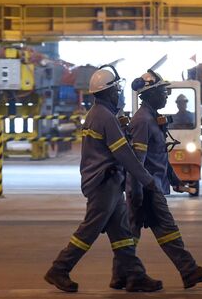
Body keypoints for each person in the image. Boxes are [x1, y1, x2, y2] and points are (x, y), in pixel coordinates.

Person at [45, 65, 163, 293]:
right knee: (88, 231)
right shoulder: (105, 117)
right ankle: (59, 269)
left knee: (122, 233)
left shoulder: (99, 114)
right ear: (108, 92)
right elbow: (125, 155)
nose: (119, 93)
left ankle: (134, 275)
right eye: (117, 89)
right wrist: (146, 179)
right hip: (103, 184)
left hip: (108, 183)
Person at [111, 70, 202, 290]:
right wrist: (138, 192)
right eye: (162, 91)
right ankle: (188, 271)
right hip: (146, 187)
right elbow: (136, 161)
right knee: (166, 228)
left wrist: (174, 178)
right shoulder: (142, 121)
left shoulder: (151, 119)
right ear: (150, 95)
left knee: (132, 233)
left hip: (150, 185)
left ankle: (121, 276)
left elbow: (159, 155)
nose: (166, 96)